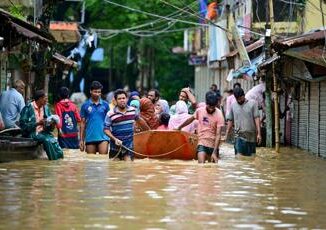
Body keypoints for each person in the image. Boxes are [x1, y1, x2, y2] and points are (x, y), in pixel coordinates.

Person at [177, 91, 225, 163]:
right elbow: (190, 120)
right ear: (206, 104)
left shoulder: (219, 114)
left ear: (215, 105)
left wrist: (214, 152)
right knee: (201, 166)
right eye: (209, 106)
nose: (211, 109)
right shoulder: (200, 111)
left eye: (213, 107)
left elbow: (218, 134)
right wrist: (179, 127)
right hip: (202, 143)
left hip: (213, 145)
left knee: (213, 169)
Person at [104, 89, 149, 161]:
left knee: (128, 168)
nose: (122, 100)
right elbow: (106, 129)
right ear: (115, 101)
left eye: (123, 98)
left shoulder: (133, 110)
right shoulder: (110, 113)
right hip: (115, 147)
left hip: (129, 147)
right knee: (114, 169)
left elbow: (141, 122)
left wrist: (149, 132)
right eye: (119, 99)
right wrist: (115, 139)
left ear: (127, 99)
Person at [19, 90, 63, 160]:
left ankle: (60, 160)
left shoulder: (46, 108)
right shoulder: (27, 108)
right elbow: (23, 127)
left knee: (54, 141)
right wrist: (38, 123)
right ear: (40, 99)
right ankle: (53, 162)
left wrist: (52, 124)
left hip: (44, 133)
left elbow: (50, 129)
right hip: (32, 133)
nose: (47, 100)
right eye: (45, 98)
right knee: (47, 140)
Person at [225, 87, 262, 156]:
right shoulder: (233, 105)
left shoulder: (253, 104)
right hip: (239, 135)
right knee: (239, 157)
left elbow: (257, 118)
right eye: (237, 99)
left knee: (252, 157)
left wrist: (259, 134)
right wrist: (227, 133)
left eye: (240, 98)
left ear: (244, 95)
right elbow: (230, 120)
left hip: (251, 136)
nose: (239, 101)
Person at [80, 81, 110, 154]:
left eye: (99, 92)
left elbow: (109, 121)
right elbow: (82, 123)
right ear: (90, 91)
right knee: (91, 161)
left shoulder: (105, 105)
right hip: (90, 137)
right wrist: (81, 140)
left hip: (103, 137)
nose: (97, 94)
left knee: (103, 160)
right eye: (95, 92)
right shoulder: (85, 105)